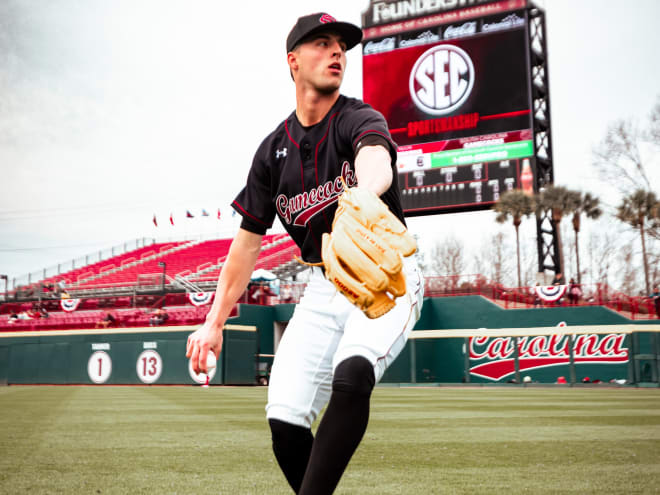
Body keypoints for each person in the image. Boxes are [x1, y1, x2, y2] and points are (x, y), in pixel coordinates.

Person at [186, 13, 423, 495]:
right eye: (322, 43)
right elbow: (247, 242)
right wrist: (213, 321)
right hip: (321, 285)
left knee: (353, 376)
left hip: (384, 277)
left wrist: (364, 193)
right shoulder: (273, 150)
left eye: (341, 45)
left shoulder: (358, 118)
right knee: (284, 418)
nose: (337, 52)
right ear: (293, 62)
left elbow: (375, 159)